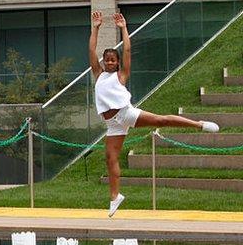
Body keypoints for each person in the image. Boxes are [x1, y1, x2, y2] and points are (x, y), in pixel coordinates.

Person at [89, 11, 219, 217]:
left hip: (126, 114)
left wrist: (123, 28)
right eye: (107, 60)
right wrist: (95, 27)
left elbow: (128, 50)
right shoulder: (99, 75)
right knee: (110, 158)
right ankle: (115, 197)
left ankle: (199, 124)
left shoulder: (121, 75)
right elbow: (91, 49)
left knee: (161, 120)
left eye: (113, 59)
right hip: (111, 124)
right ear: (103, 62)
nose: (110, 62)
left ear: (118, 62)